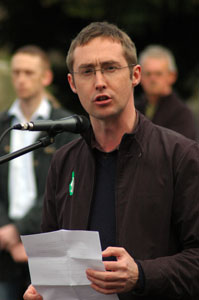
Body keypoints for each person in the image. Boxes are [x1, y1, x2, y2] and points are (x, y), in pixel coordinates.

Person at [24, 22, 199, 300]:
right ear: (72, 83)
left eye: (110, 67)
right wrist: (44, 288)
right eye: (87, 71)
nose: (99, 81)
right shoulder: (64, 161)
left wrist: (141, 274)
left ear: (135, 75)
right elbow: (52, 258)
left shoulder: (181, 156)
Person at [0, 45, 78, 300]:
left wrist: (20, 229)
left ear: (45, 77)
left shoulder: (64, 124)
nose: (21, 79)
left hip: (48, 242)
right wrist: (5, 230)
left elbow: (63, 186)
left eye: (29, 73)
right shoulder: (3, 125)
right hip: (4, 247)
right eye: (17, 72)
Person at [135, 45, 196, 140]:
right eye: (148, 74)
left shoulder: (182, 114)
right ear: (139, 76)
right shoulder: (134, 109)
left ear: (172, 76)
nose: (152, 79)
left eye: (158, 74)